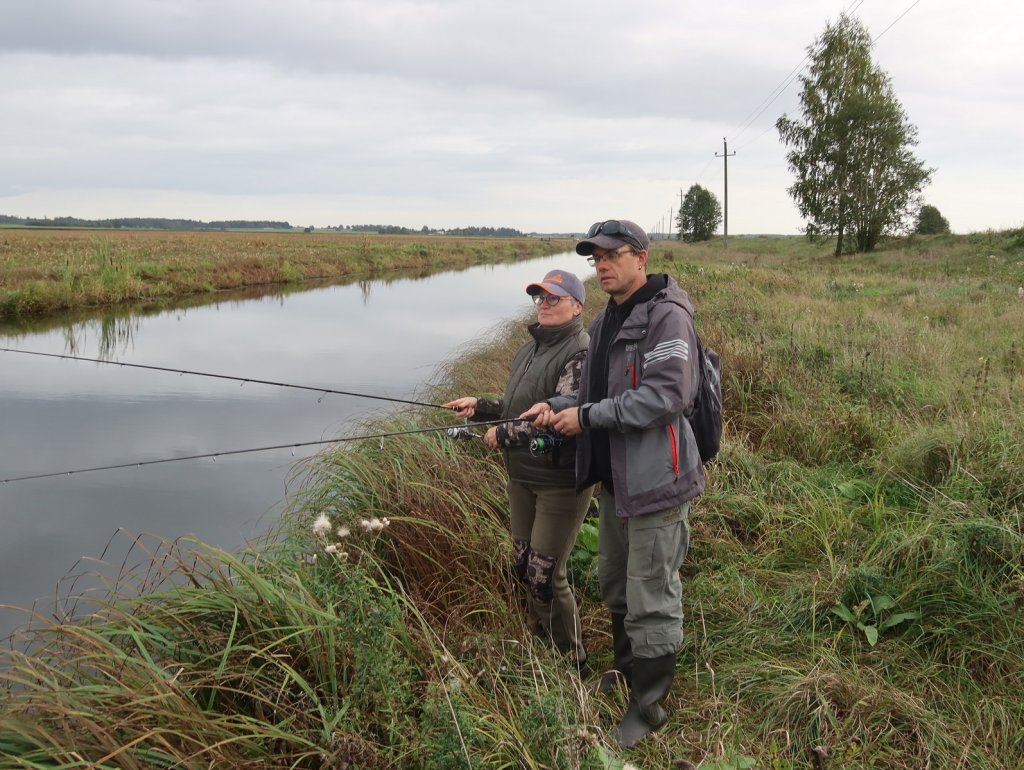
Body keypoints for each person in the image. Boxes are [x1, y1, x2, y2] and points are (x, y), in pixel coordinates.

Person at [522, 219, 705, 748]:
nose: (601, 265)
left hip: (657, 482)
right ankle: (627, 673)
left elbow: (665, 396)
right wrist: (556, 405)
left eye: (612, 255)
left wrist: (586, 418)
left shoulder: (667, 316)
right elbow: (592, 392)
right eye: (595, 258)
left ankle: (649, 705)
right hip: (617, 484)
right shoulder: (607, 319)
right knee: (617, 585)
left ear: (641, 258)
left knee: (652, 594)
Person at [443, 269, 595, 673]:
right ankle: (538, 643)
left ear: (577, 307)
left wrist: (503, 434)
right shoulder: (529, 349)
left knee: (546, 575)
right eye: (540, 297)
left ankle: (573, 662)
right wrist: (481, 407)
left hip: (560, 482)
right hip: (521, 477)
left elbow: (561, 414)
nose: (544, 304)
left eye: (554, 298)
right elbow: (519, 408)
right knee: (524, 565)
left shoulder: (581, 352)